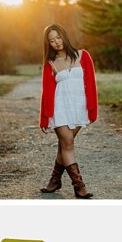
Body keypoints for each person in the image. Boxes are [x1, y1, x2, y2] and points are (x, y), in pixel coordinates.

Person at [38, 24, 98, 199]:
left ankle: (55, 180)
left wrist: (92, 110)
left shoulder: (83, 55)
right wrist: (44, 118)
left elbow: (91, 84)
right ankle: (79, 186)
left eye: (58, 37)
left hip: (79, 108)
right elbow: (47, 91)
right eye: (52, 40)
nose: (56, 42)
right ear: (48, 44)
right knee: (68, 143)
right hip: (60, 108)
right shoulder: (51, 63)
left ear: (64, 36)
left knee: (65, 145)